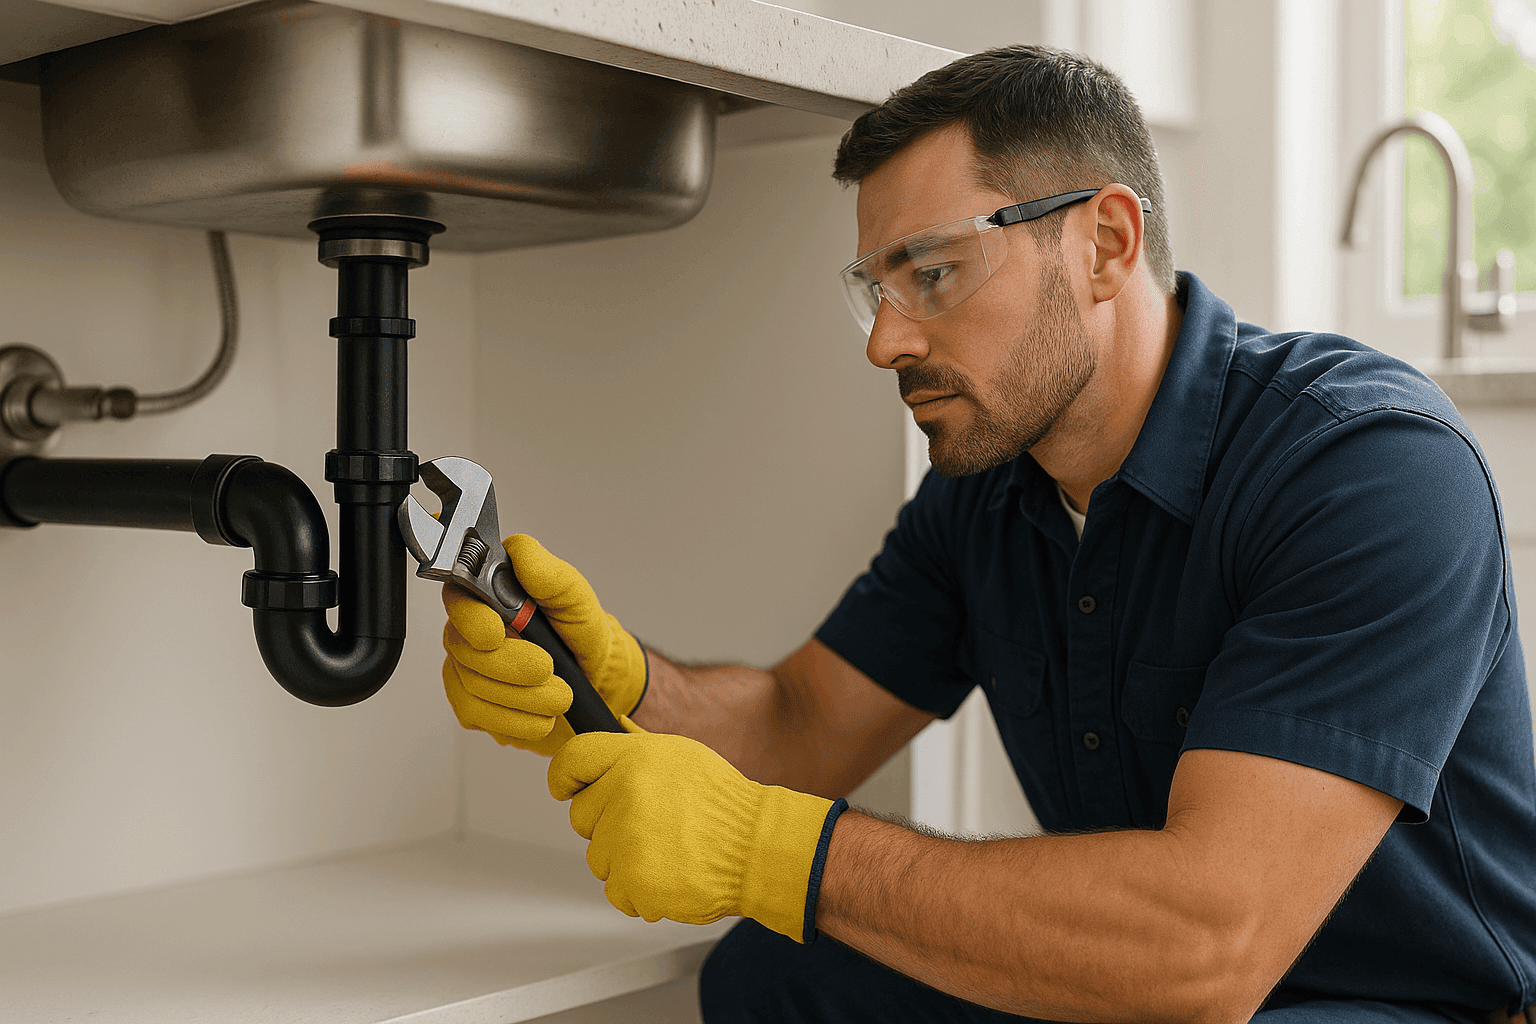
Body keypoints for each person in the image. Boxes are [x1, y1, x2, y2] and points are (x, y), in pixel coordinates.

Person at [439, 45, 1536, 1024]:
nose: (887, 342)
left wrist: (775, 848)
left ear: (1105, 243)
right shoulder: (991, 486)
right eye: (876, 288)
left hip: (1396, 998)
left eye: (934, 271)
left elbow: (1209, 945)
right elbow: (805, 721)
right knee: (768, 976)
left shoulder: (1365, 467)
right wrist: (621, 685)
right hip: (1152, 981)